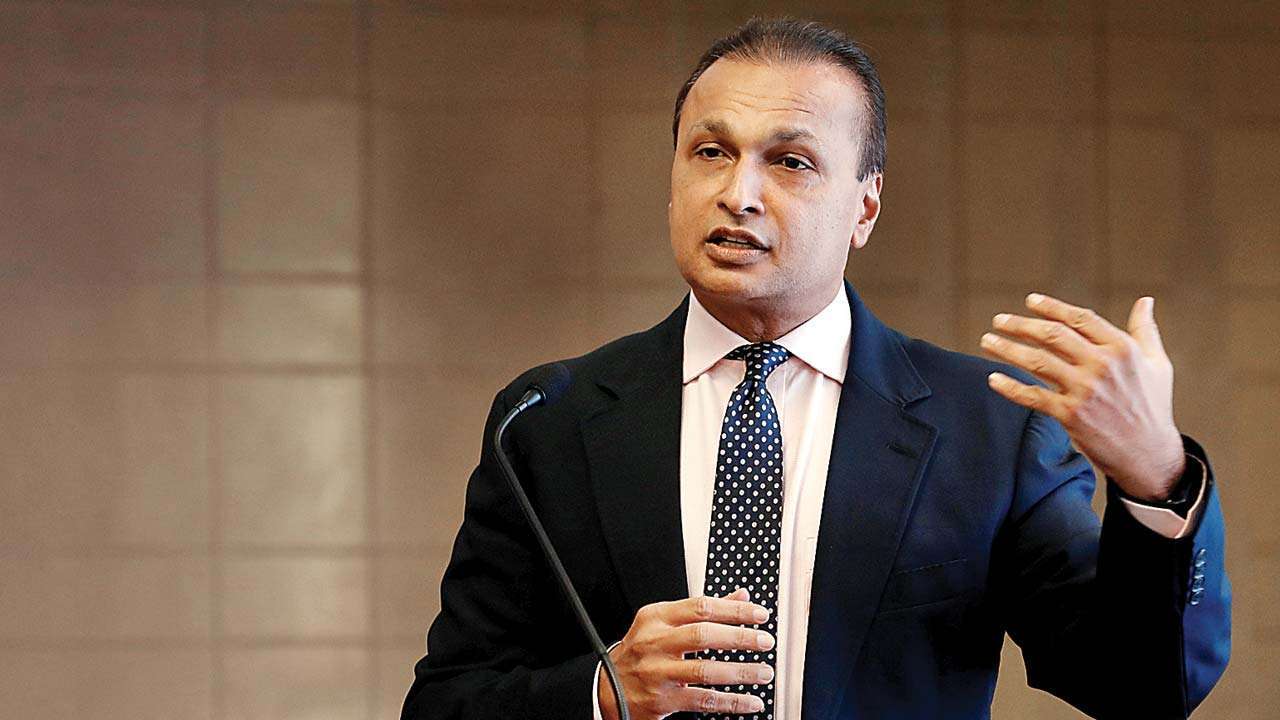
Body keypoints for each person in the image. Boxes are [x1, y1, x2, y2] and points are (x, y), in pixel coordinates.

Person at [401, 17, 1230, 720]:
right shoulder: (548, 420)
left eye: (790, 162)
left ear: (864, 206)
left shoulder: (988, 429)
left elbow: (1143, 689)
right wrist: (602, 692)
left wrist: (1156, 477)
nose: (738, 193)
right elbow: (444, 702)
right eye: (710, 152)